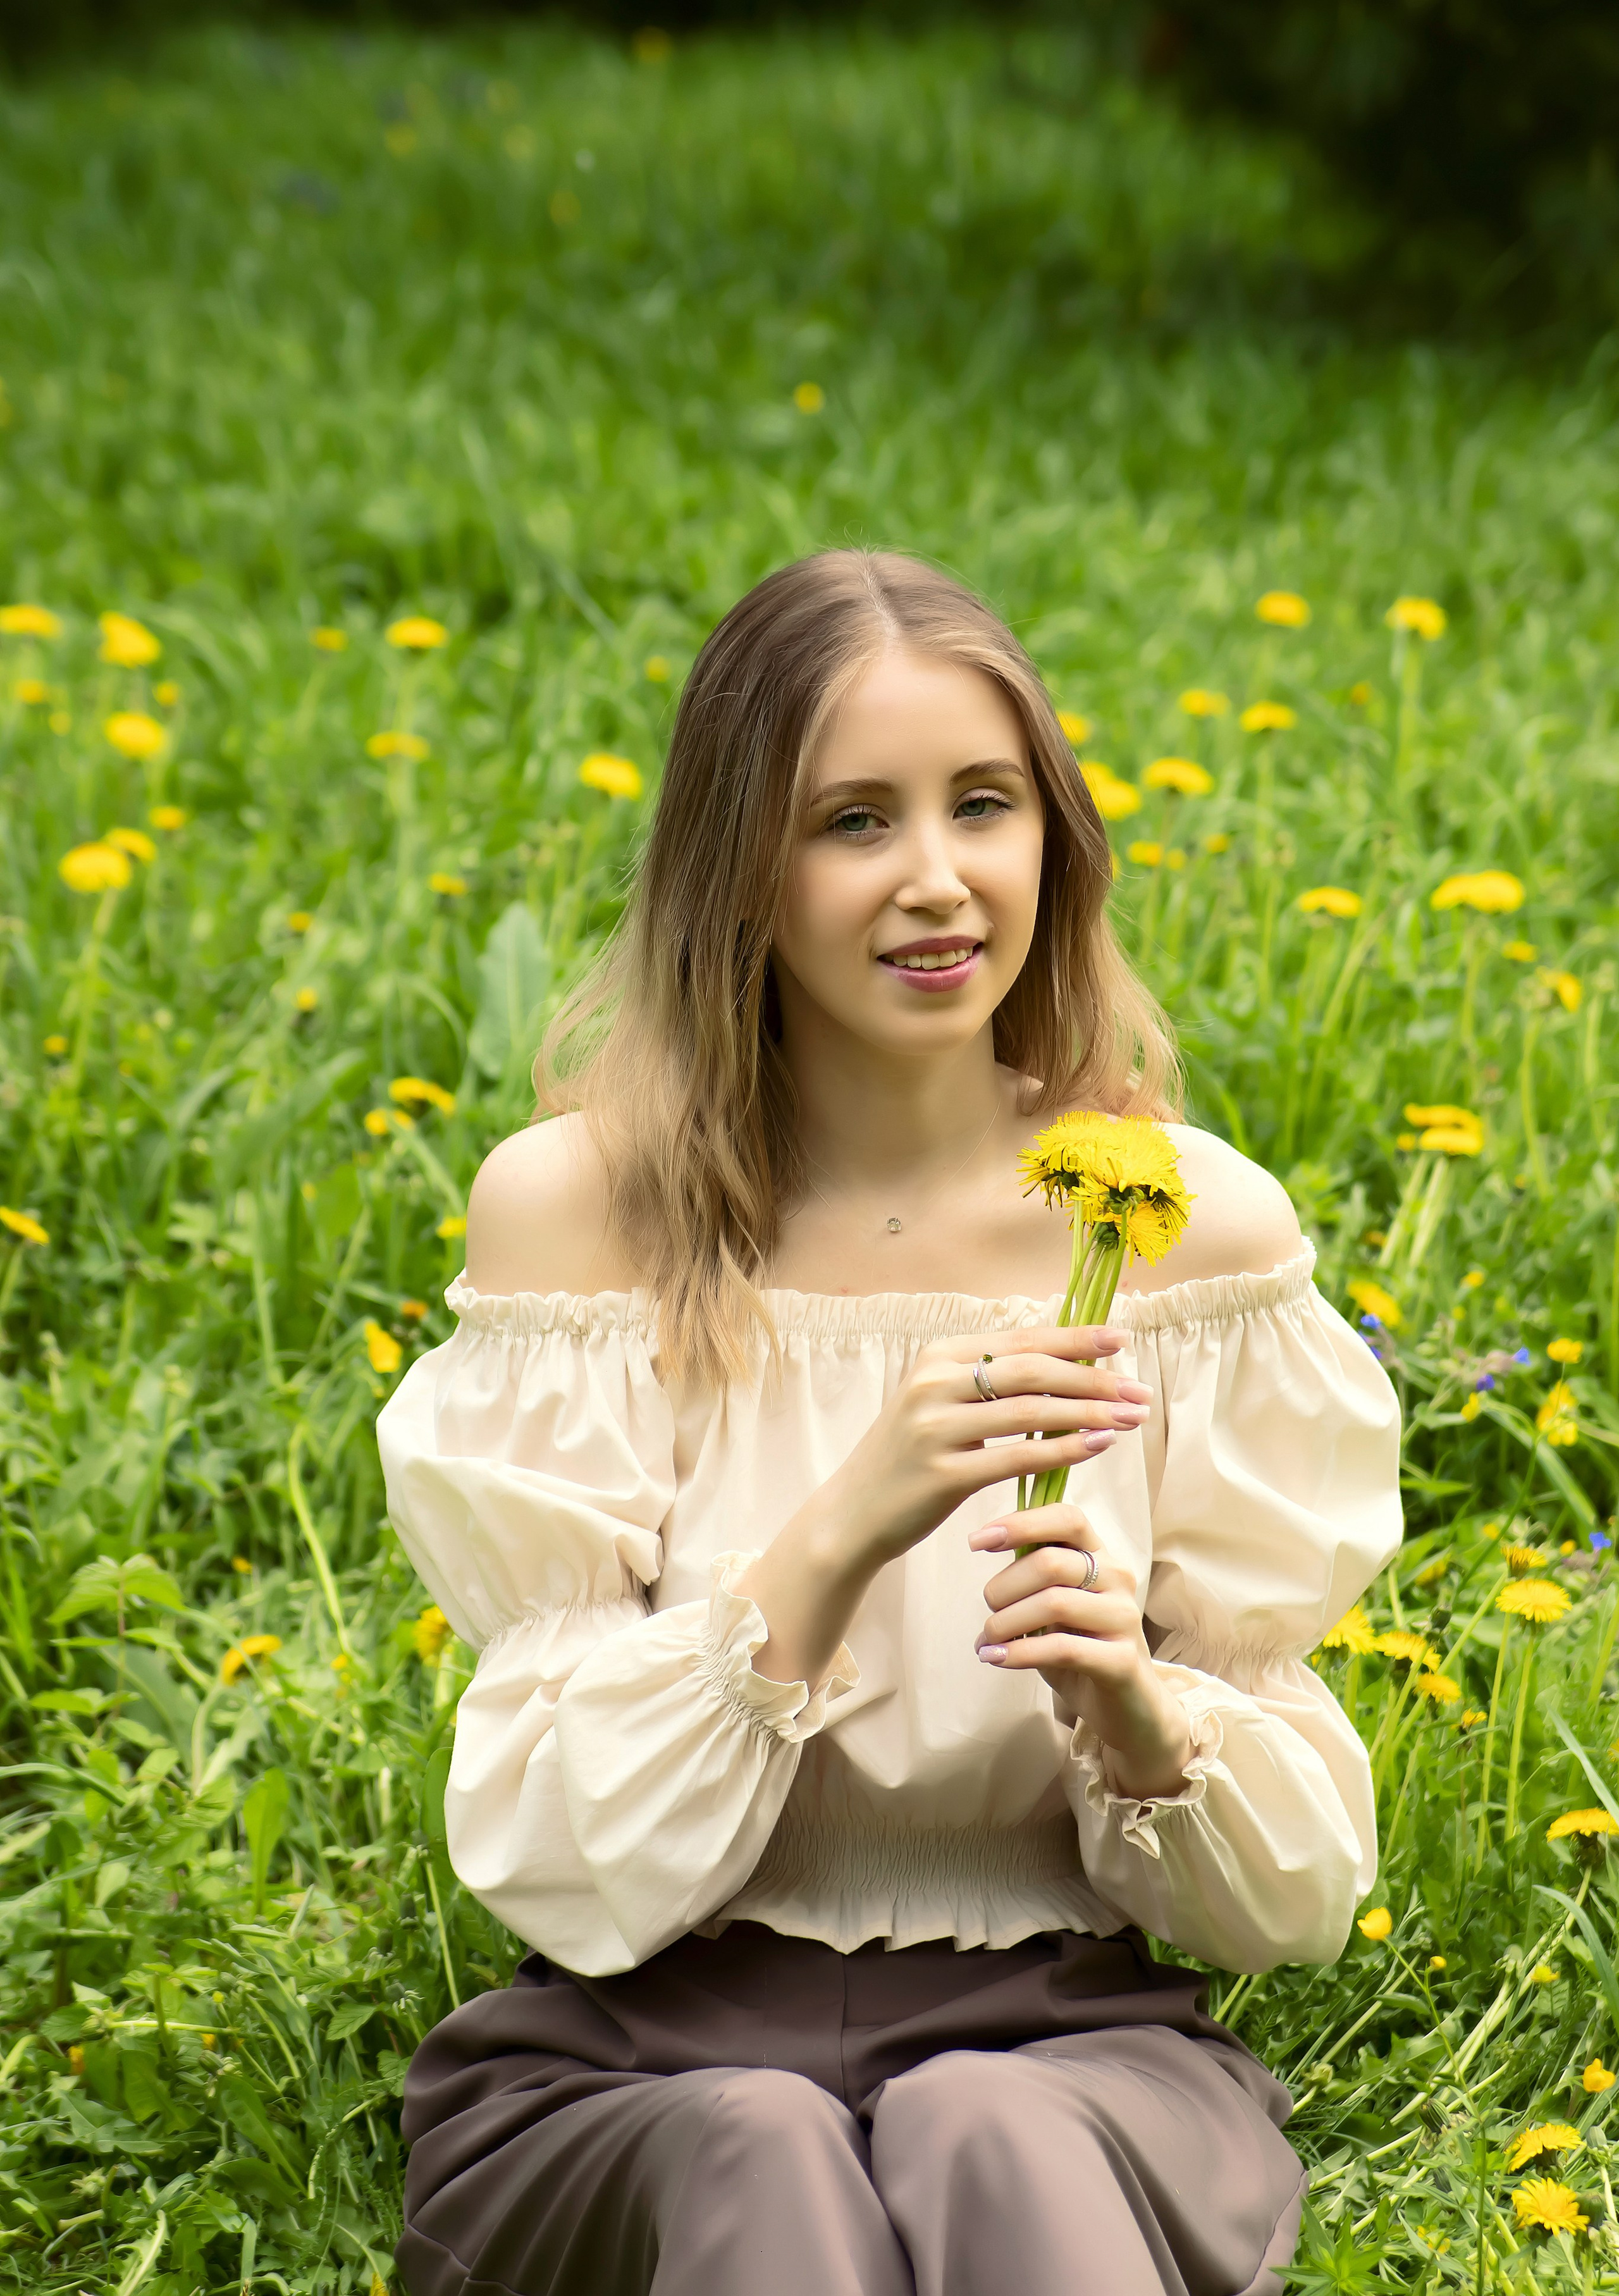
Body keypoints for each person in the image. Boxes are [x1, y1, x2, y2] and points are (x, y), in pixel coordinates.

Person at [378, 550, 1402, 2296]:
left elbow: (1290, 1906)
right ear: (740, 875)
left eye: (982, 805)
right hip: (654, 2045)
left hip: (1067, 2036)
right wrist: (843, 1530)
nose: (938, 881)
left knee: (983, 2132)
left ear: (1052, 842)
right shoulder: (579, 1221)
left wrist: (1135, 1706)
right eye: (854, 821)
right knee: (761, 2145)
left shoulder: (1180, 1233)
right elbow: (550, 1850)